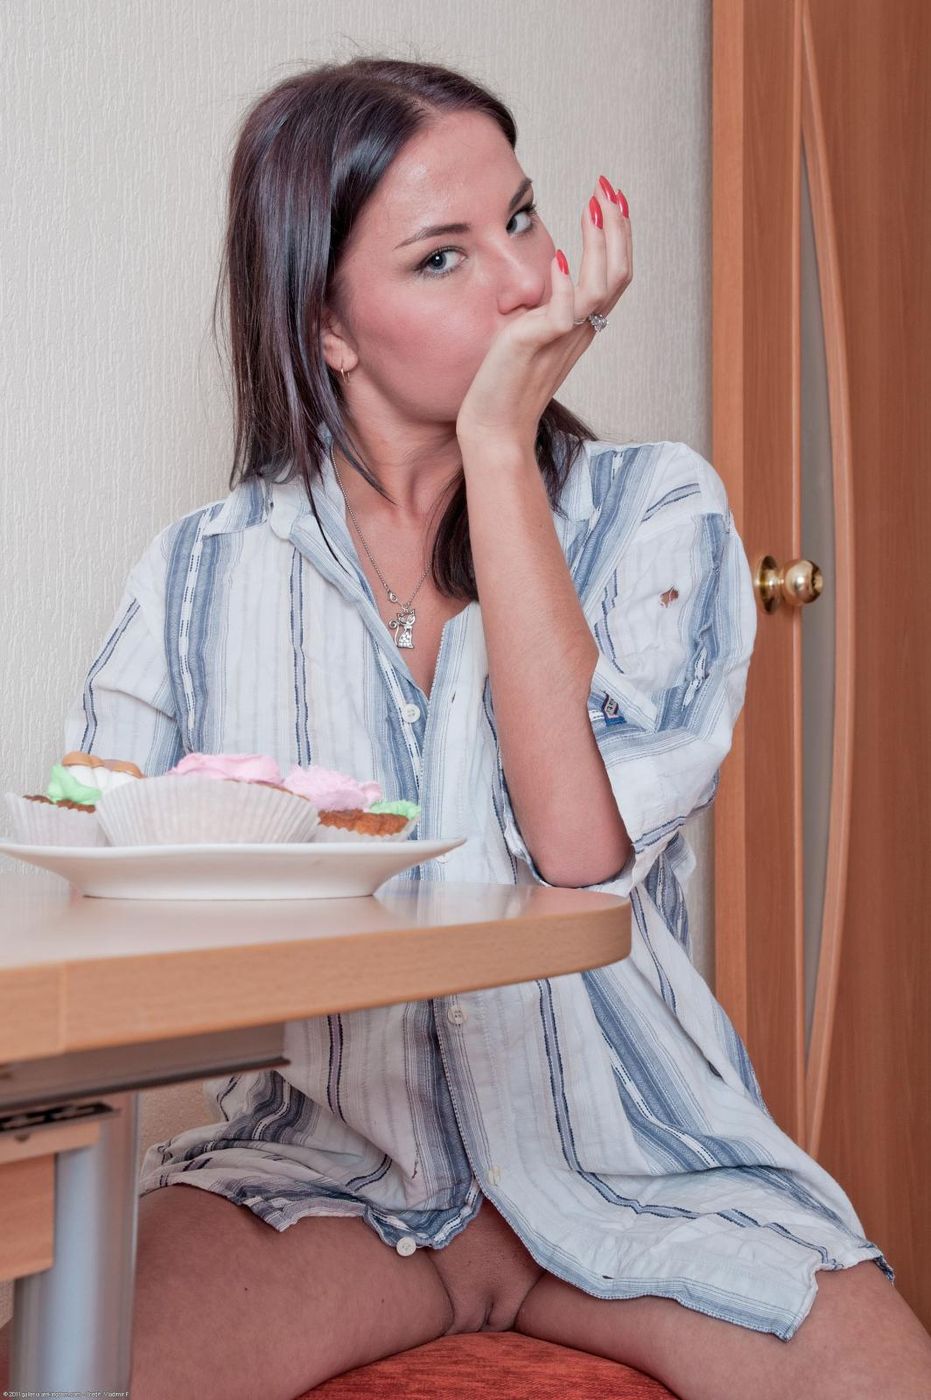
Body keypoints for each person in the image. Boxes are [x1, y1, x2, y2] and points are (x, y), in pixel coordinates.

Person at [5, 54, 928, 1400]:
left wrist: (499, 446)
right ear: (327, 326)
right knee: (62, 1368)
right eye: (443, 258)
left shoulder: (654, 510)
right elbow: (98, 854)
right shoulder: (203, 571)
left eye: (523, 218)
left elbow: (577, 857)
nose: (524, 281)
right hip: (330, 1175)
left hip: (643, 1162)